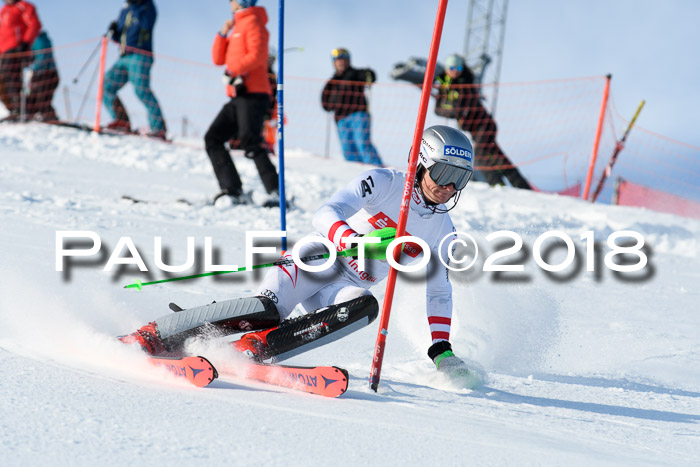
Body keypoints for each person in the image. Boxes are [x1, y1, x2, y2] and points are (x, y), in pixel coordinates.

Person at [119, 125, 477, 382]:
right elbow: (325, 212)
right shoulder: (384, 183)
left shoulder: (443, 232)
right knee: (268, 309)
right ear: (421, 163)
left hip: (346, 286)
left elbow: (439, 291)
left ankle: (253, 349)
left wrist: (441, 349)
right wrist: (348, 237)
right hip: (315, 262)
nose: (448, 187)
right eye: (443, 172)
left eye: (459, 179)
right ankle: (152, 335)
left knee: (365, 307)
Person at [204, 0, 279, 208]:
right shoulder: (237, 26)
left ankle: (276, 192)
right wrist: (222, 33)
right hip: (238, 95)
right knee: (213, 138)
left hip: (254, 93)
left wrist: (233, 71)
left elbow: (258, 55)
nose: (231, 2)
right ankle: (232, 190)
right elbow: (218, 59)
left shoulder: (254, 21)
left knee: (251, 142)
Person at [434, 54, 531, 190]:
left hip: (485, 125)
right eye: (452, 67)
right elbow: (437, 109)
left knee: (480, 153)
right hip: (475, 129)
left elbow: (468, 104)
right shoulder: (444, 86)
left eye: (458, 67)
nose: (455, 70)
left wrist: (455, 110)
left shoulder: (467, 82)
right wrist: (454, 111)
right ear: (446, 69)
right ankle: (523, 187)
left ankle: (498, 185)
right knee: (497, 157)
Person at [103, 0, 167, 139]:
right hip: (123, 56)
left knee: (141, 90)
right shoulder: (125, 9)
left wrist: (136, 5)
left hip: (141, 55)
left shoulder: (147, 6)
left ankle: (158, 129)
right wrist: (114, 31)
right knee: (106, 85)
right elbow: (121, 35)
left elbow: (145, 24)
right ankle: (122, 121)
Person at [321, 48, 382, 166]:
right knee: (347, 150)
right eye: (338, 60)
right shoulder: (331, 83)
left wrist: (369, 74)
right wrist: (332, 102)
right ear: (334, 63)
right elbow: (325, 104)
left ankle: (378, 171)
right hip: (341, 120)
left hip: (358, 114)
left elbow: (371, 76)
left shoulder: (355, 73)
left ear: (348, 61)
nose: (341, 62)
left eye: (344, 60)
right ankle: (357, 175)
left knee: (362, 144)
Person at [0, 0, 41, 120]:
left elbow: (34, 24)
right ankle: (12, 109)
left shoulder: (24, 6)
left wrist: (25, 42)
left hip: (16, 48)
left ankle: (20, 110)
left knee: (12, 78)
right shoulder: (4, 10)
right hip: (3, 51)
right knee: (3, 81)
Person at [26, 29, 59, 121]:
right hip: (43, 73)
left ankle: (49, 116)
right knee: (36, 97)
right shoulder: (38, 40)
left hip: (46, 73)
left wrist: (33, 68)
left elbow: (42, 58)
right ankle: (42, 115)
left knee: (42, 98)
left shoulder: (39, 40)